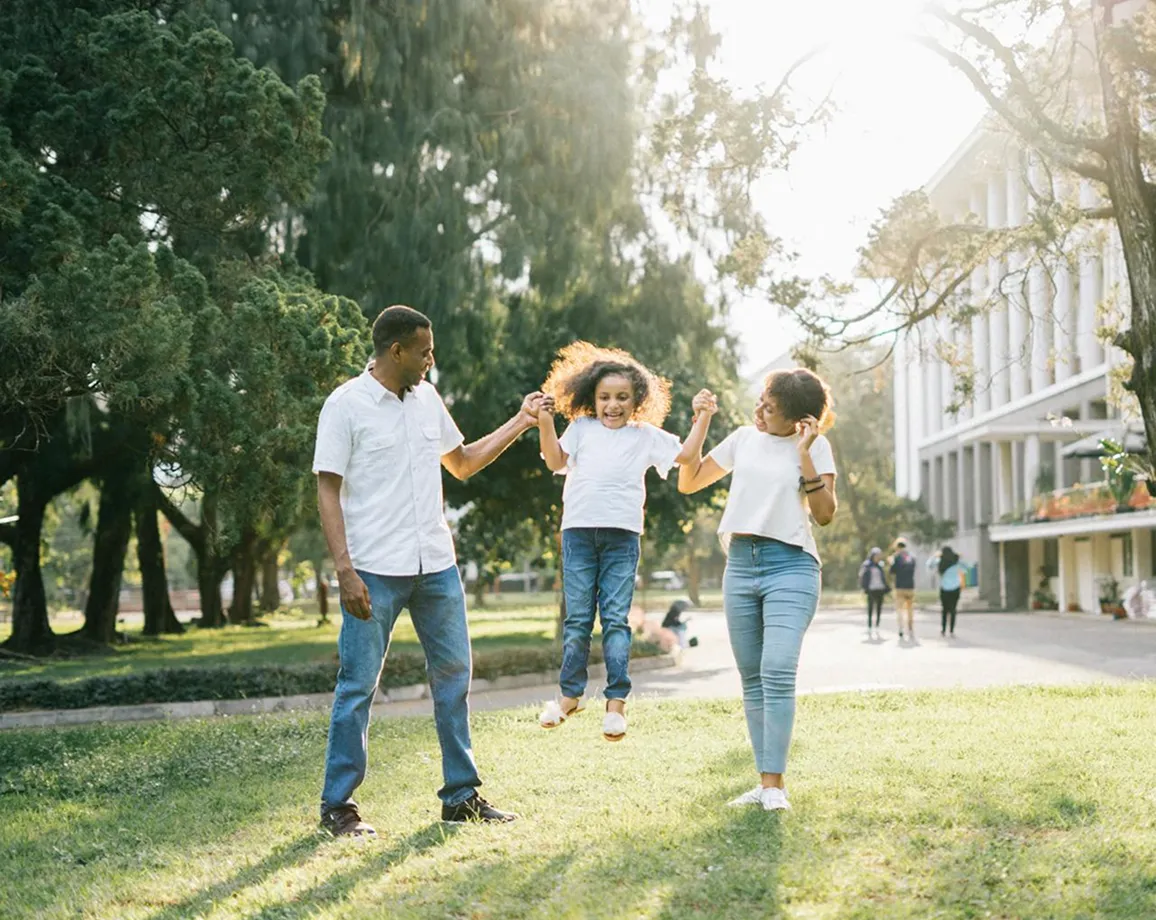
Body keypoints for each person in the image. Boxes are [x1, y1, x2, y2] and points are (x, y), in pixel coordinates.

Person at [312, 304, 547, 837]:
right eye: (424, 350)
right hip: (373, 569)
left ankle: (460, 796)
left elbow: (461, 462)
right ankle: (338, 806)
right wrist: (344, 571)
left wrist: (521, 421)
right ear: (396, 350)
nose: (431, 359)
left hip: (435, 565)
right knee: (357, 686)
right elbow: (326, 489)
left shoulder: (427, 399)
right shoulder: (345, 405)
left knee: (454, 678)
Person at [535, 341, 714, 741]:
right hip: (579, 534)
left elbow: (686, 456)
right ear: (591, 399)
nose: (612, 405)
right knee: (578, 620)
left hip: (621, 537)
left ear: (637, 401)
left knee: (616, 620)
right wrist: (545, 422)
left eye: (621, 398)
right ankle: (570, 697)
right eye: (604, 397)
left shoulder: (645, 436)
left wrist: (701, 417)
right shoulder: (581, 429)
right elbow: (555, 461)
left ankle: (616, 705)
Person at [678, 367, 837, 811]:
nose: (761, 411)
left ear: (800, 420)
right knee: (752, 679)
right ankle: (765, 784)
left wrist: (804, 453)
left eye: (772, 409)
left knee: (777, 669)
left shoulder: (816, 446)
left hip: (792, 565)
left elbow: (825, 514)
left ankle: (774, 787)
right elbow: (688, 481)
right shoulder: (744, 439)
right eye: (762, 401)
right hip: (741, 566)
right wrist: (702, 421)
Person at [928, 546, 966, 636]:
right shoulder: (957, 562)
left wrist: (935, 556)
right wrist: (960, 557)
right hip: (956, 588)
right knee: (953, 609)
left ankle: (943, 629)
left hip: (944, 588)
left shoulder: (940, 562)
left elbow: (929, 565)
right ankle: (952, 630)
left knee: (944, 610)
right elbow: (966, 568)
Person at [890, 539, 917, 640]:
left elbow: (892, 571)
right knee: (910, 609)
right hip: (910, 586)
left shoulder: (896, 557)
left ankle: (901, 628)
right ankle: (910, 628)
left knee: (899, 609)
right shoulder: (911, 557)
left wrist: (891, 562)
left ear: (897, 547)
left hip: (900, 586)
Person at [858, 547, 888, 635]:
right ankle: (869, 626)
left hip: (880, 589)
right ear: (873, 555)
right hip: (871, 589)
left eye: (879, 555)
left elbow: (884, 578)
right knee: (870, 608)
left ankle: (877, 626)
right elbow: (862, 577)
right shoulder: (867, 565)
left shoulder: (880, 565)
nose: (878, 557)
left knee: (879, 608)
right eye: (877, 555)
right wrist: (864, 587)